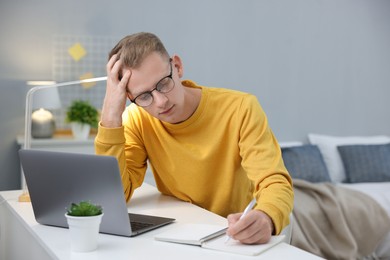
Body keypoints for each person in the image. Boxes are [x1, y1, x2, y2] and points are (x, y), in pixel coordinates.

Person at [95, 32, 293, 245]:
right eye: (144, 96)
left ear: (177, 67)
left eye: (163, 83)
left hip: (238, 234)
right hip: (183, 234)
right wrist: (110, 116)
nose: (160, 101)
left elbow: (274, 181)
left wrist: (266, 216)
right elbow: (117, 195)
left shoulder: (241, 108)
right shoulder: (137, 119)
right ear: (129, 97)